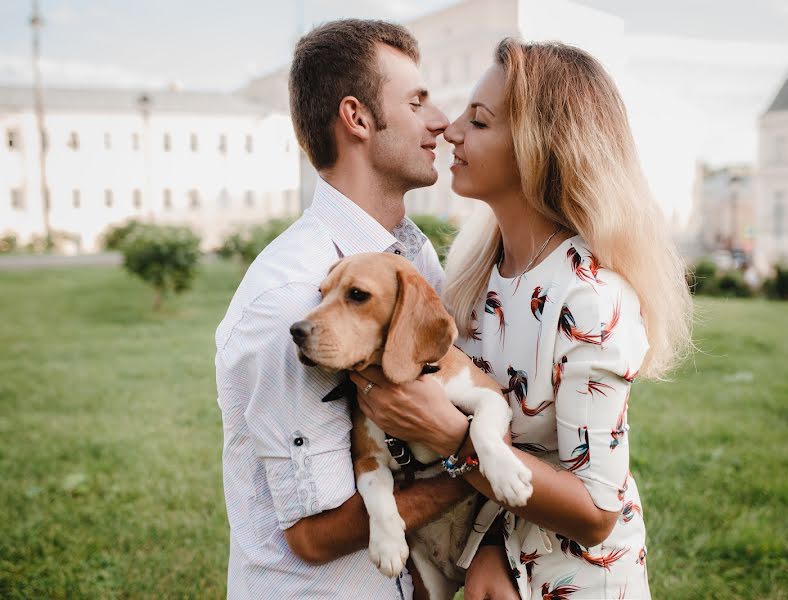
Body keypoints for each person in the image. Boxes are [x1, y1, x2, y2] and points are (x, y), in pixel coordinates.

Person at [354, 39, 693, 599]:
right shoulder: (472, 276)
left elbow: (595, 512)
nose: (451, 131)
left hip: (577, 579)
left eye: (479, 122)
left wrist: (447, 434)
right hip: (494, 563)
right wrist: (491, 548)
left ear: (539, 146)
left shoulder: (590, 297)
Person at [214, 19, 473, 599]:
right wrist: (477, 469)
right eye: (416, 102)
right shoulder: (288, 296)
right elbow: (312, 535)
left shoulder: (410, 255)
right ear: (356, 118)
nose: (442, 122)